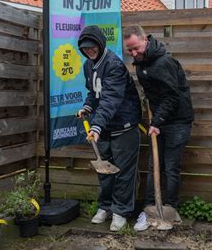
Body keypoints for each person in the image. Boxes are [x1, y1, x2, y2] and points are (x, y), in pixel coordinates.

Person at [123, 25, 194, 232]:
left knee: (171, 167)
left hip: (177, 121)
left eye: (136, 48)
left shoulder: (163, 62)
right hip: (160, 121)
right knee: (154, 166)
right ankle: (149, 211)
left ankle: (170, 209)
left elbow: (172, 96)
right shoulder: (141, 64)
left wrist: (157, 121)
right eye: (130, 51)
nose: (134, 54)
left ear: (145, 39)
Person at [77, 25, 141, 231]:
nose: (89, 50)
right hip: (104, 127)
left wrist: (95, 125)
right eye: (85, 48)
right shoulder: (88, 65)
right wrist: (87, 107)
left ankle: (120, 211)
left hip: (124, 125)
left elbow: (110, 99)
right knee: (104, 170)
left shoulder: (114, 65)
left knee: (123, 172)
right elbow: (94, 93)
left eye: (92, 46)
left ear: (100, 43)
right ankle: (105, 206)